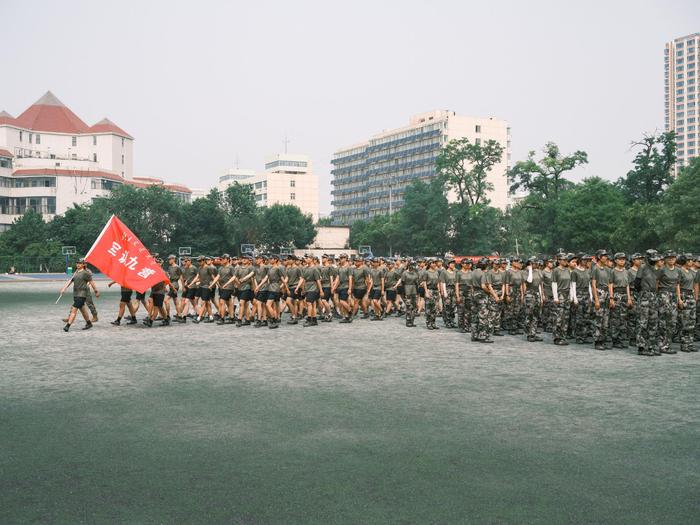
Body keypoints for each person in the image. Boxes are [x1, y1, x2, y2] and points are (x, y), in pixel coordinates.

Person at [634, 250, 662, 356]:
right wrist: (643, 293)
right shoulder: (643, 267)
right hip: (645, 295)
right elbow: (637, 283)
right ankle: (641, 346)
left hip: (654, 295)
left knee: (653, 321)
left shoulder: (656, 267)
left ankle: (651, 345)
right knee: (643, 321)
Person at [61, 258, 99, 332]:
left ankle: (67, 326)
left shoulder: (86, 273)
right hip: (76, 294)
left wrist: (96, 291)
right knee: (83, 310)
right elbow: (70, 281)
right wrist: (64, 288)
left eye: (79, 263)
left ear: (83, 264)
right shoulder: (76, 273)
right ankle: (89, 323)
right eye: (77, 263)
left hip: (82, 294)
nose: (78, 264)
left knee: (74, 309)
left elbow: (91, 282)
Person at [657, 251, 681, 354]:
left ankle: (667, 344)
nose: (671, 259)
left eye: (673, 258)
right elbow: (656, 283)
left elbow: (677, 285)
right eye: (669, 258)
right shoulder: (661, 269)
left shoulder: (678, 270)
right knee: (663, 320)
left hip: (673, 295)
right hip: (663, 294)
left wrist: (679, 298)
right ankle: (661, 344)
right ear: (665, 259)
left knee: (672, 321)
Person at [609, 253, 633, 349]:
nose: (622, 261)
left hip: (624, 294)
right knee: (615, 318)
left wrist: (629, 298)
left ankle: (620, 338)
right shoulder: (613, 271)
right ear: (615, 260)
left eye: (623, 259)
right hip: (616, 294)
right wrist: (611, 298)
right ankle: (615, 339)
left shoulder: (626, 272)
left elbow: (627, 285)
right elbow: (610, 284)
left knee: (623, 317)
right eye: (620, 259)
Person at [591, 250, 612, 350]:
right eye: (604, 256)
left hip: (607, 294)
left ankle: (603, 340)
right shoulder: (595, 269)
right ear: (599, 257)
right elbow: (593, 285)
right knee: (598, 318)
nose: (606, 258)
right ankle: (597, 341)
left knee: (606, 319)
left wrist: (611, 297)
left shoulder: (608, 270)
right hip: (599, 293)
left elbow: (610, 284)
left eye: (606, 256)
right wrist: (596, 300)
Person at [677, 254, 697, 352]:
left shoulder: (691, 272)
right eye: (689, 261)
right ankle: (684, 344)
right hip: (684, 295)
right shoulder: (680, 271)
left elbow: (694, 285)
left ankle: (690, 343)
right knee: (685, 321)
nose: (691, 262)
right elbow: (677, 285)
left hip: (691, 296)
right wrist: (679, 298)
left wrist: (695, 297)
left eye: (691, 261)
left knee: (692, 321)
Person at [551, 253, 572, 346]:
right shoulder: (556, 270)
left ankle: (563, 336)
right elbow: (554, 284)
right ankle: (557, 337)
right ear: (559, 260)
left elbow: (570, 284)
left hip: (567, 294)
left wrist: (571, 295)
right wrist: (555, 297)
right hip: (560, 293)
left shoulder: (568, 270)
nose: (565, 261)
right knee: (558, 316)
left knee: (566, 316)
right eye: (563, 260)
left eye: (566, 260)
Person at [297, 255, 323, 326]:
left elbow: (318, 280)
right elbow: (302, 279)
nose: (305, 259)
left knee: (308, 303)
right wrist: (298, 287)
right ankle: (314, 320)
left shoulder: (315, 269)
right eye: (305, 258)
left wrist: (321, 291)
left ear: (311, 259)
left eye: (307, 258)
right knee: (313, 304)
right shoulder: (305, 268)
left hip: (314, 288)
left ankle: (309, 319)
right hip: (307, 288)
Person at [523, 257, 544, 342]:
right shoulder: (526, 272)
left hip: (537, 294)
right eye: (535, 263)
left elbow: (540, 285)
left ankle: (533, 333)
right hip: (529, 294)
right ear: (531, 263)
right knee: (529, 315)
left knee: (536, 315)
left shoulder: (539, 272)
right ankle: (529, 333)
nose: (537, 264)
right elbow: (530, 280)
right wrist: (530, 269)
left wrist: (541, 297)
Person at [421, 258, 441, 330]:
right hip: (429, 290)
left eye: (435, 263)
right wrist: (426, 292)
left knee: (435, 308)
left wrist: (439, 291)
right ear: (429, 264)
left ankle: (433, 323)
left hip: (435, 291)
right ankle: (428, 323)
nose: (434, 264)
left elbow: (438, 282)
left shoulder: (437, 272)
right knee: (429, 308)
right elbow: (424, 283)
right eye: (433, 263)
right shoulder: (426, 272)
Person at [164, 255, 183, 321]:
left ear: (173, 259)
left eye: (170, 259)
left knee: (166, 300)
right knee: (175, 301)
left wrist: (183, 287)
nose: (169, 261)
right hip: (171, 285)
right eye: (169, 259)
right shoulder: (169, 267)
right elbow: (168, 276)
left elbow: (181, 277)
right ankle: (179, 315)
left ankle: (168, 315)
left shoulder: (177, 267)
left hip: (175, 286)